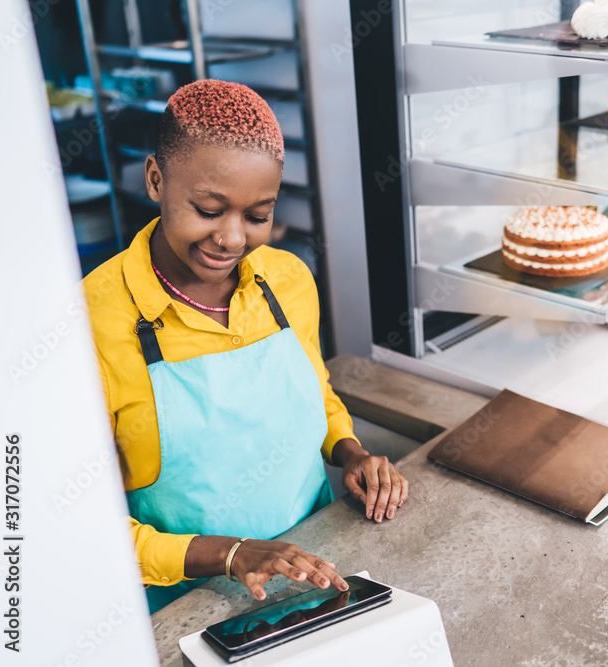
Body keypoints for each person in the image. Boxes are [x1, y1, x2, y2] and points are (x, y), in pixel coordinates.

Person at [82, 79, 408, 613]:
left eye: (258, 216)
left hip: (320, 567)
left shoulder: (287, 281)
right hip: (187, 605)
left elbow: (315, 393)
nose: (233, 238)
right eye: (209, 209)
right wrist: (229, 555)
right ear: (156, 179)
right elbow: (82, 528)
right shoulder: (91, 323)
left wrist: (353, 455)